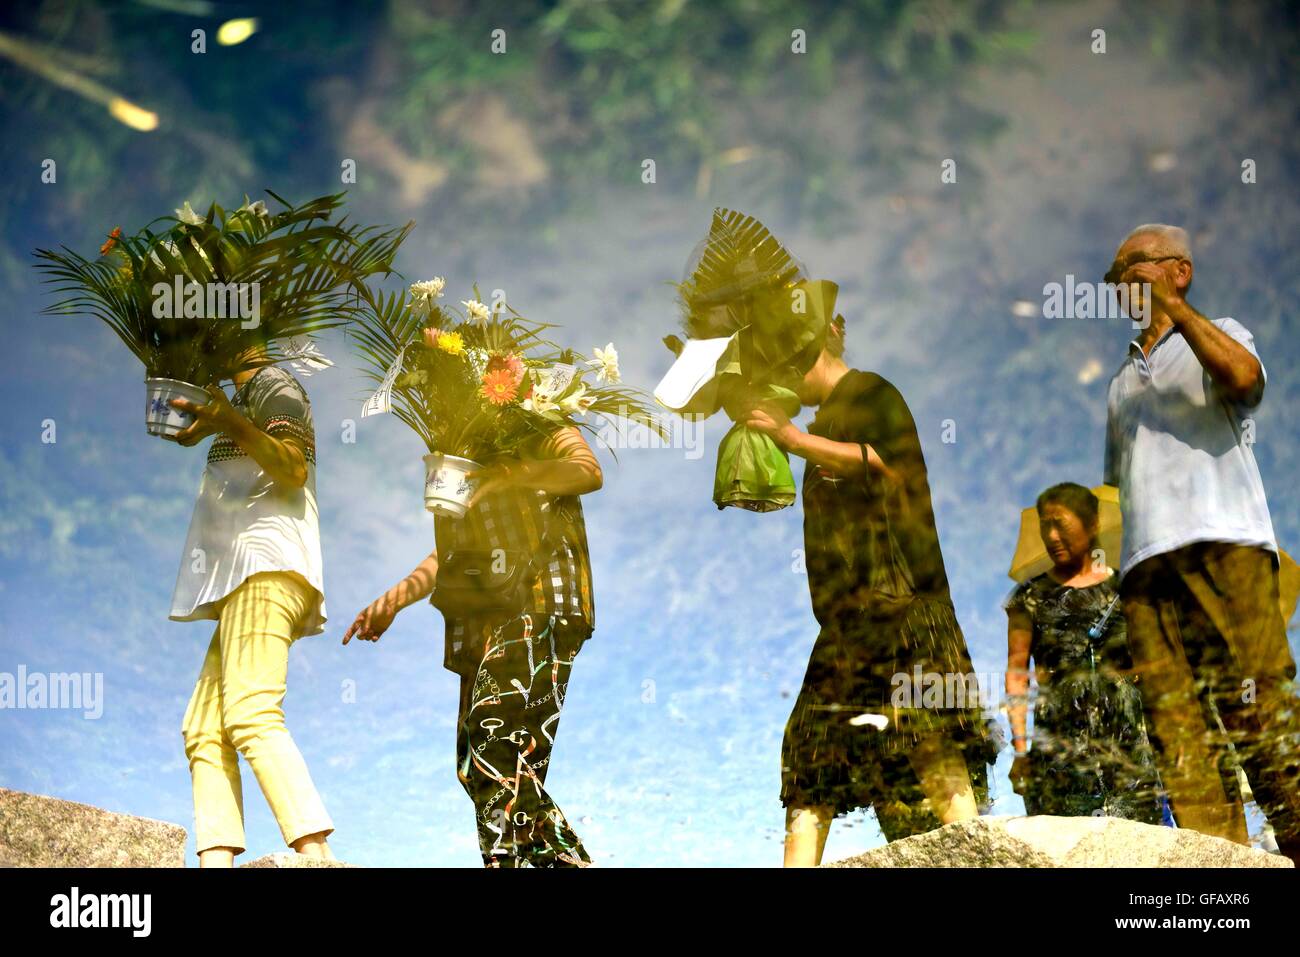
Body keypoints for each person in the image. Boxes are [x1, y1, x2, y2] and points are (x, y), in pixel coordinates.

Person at [743, 318, 997, 867]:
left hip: (906, 604)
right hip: (845, 622)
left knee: (930, 736)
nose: (784, 383)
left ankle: (976, 857)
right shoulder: (824, 418)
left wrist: (793, 440)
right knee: (812, 755)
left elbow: (890, 466)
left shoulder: (876, 392)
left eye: (787, 368)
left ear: (812, 349)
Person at [1104, 222, 1300, 862]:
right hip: (1144, 570)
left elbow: (1246, 382)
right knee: (1176, 727)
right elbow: (1119, 485)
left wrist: (1177, 313)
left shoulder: (1224, 334)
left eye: (1130, 270)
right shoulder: (1118, 383)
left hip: (1225, 546)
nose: (1118, 287)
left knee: (1257, 702)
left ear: (1177, 270)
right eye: (1114, 279)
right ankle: (1220, 868)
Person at [345, 427, 600, 867]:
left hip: (539, 603)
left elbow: (586, 470)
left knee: (492, 746)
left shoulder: (540, 422)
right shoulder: (462, 455)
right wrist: (397, 599)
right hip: (485, 622)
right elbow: (453, 553)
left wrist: (509, 474)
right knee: (477, 765)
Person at [168, 355, 334, 867]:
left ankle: (318, 855)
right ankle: (215, 861)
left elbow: (293, 466)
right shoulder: (241, 397)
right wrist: (218, 420)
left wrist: (229, 422)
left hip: (267, 566)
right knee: (204, 727)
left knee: (251, 711)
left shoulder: (272, 383)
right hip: (247, 577)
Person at [1004, 482, 1163, 822]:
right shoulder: (1029, 597)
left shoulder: (1126, 590)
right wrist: (1020, 751)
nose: (1051, 535)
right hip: (1059, 751)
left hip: (1127, 746)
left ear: (1092, 525)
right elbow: (1017, 675)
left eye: (1059, 522)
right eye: (1044, 525)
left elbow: (1154, 665)